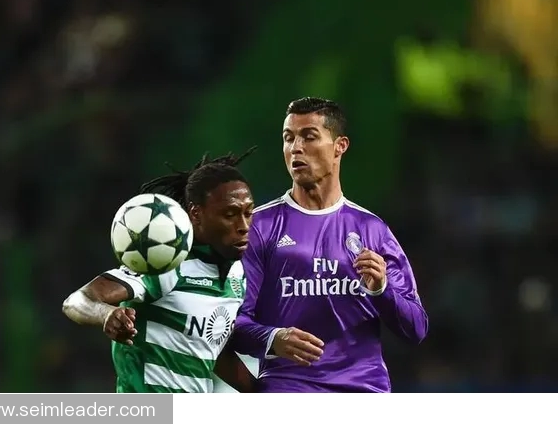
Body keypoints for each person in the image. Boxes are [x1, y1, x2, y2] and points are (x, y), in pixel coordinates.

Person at [230, 97, 428, 393]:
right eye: (288, 138)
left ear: (340, 146)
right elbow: (229, 323)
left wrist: (381, 290)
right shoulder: (260, 228)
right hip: (290, 390)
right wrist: (272, 338)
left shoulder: (372, 230)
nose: (296, 148)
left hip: (363, 390)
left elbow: (416, 329)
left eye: (309, 137)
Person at [62, 149, 258, 393]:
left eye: (248, 213)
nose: (243, 226)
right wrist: (106, 314)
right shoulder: (166, 263)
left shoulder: (237, 274)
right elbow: (76, 301)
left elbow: (209, 349)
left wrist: (265, 392)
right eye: (230, 214)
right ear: (196, 214)